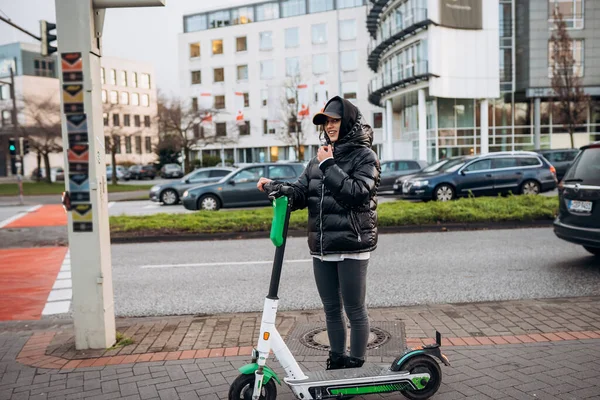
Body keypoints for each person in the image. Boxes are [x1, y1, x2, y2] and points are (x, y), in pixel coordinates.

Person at [257, 96, 381, 370]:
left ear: (347, 121)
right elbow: (302, 192)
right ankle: (337, 359)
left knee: (354, 309)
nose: (329, 126)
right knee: (331, 308)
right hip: (323, 246)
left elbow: (357, 194)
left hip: (352, 244)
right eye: (326, 121)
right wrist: (276, 188)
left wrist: (329, 166)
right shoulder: (320, 157)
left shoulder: (365, 156)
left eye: (334, 120)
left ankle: (356, 363)